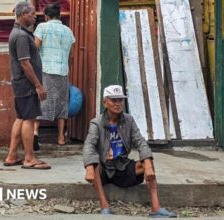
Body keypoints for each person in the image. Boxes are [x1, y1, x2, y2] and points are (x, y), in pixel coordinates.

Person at [83, 85, 177, 218]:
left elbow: (140, 142)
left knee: (146, 162)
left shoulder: (129, 120)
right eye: (113, 100)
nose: (117, 104)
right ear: (105, 102)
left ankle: (156, 208)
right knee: (94, 163)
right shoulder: (96, 123)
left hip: (122, 167)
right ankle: (105, 207)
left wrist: (148, 163)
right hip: (105, 168)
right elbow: (89, 145)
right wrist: (88, 168)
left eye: (120, 100)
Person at [3, 1, 51, 170]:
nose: (35, 17)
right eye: (32, 14)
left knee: (22, 117)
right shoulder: (22, 36)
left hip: (21, 84)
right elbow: (25, 63)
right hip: (27, 84)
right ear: (23, 14)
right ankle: (29, 158)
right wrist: (38, 85)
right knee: (29, 119)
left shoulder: (19, 33)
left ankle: (12, 156)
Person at [33, 2, 75, 149]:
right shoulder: (68, 31)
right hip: (63, 71)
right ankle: (61, 137)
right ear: (59, 16)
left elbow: (35, 48)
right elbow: (71, 54)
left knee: (42, 102)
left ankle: (35, 133)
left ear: (46, 16)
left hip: (46, 70)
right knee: (62, 104)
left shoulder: (42, 27)